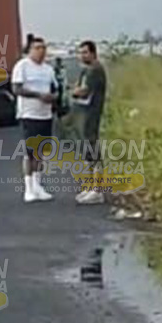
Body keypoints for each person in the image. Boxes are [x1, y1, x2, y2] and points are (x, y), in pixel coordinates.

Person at [11, 36, 57, 203]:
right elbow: (16, 88)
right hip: (29, 114)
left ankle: (38, 185)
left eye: (43, 48)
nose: (41, 51)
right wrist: (38, 95)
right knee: (30, 152)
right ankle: (28, 187)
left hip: (45, 114)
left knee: (41, 151)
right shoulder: (22, 66)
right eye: (37, 48)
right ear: (29, 50)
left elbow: (54, 88)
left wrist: (53, 98)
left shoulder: (48, 70)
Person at [72, 40, 107, 205]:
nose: (82, 55)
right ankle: (90, 186)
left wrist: (75, 92)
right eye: (81, 52)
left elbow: (84, 92)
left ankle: (97, 190)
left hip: (92, 113)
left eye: (85, 52)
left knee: (93, 151)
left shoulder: (95, 71)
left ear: (93, 53)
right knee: (87, 151)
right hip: (84, 114)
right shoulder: (86, 71)